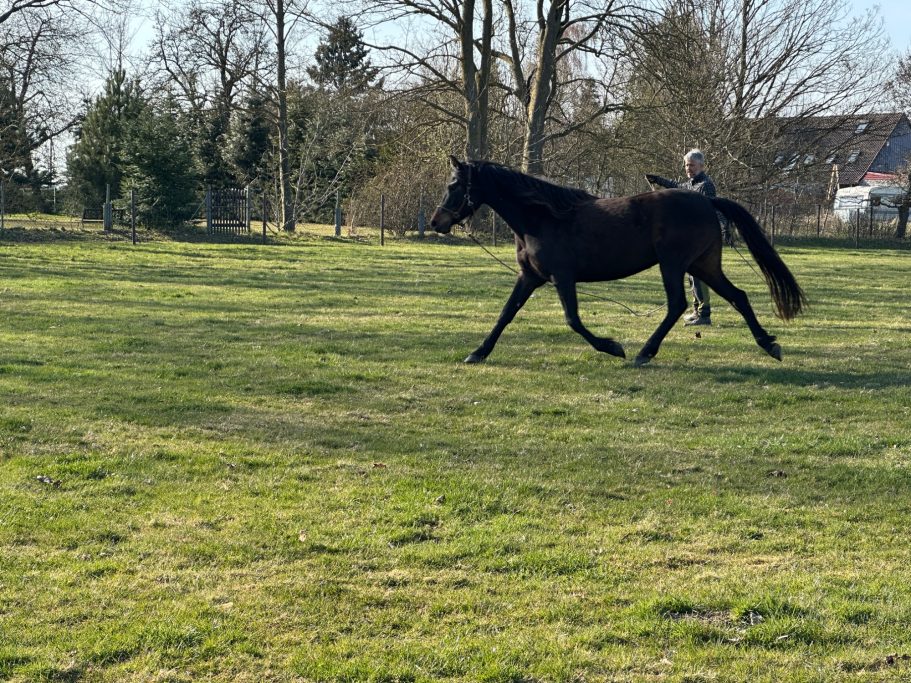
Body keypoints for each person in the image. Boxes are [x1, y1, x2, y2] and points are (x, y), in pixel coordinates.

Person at [645, 149, 716, 326]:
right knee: (691, 275)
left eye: (691, 165)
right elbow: (676, 186)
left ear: (701, 165)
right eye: (686, 165)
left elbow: (711, 211)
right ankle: (696, 310)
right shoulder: (691, 184)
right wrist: (658, 180)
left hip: (700, 238)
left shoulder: (706, 185)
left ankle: (704, 315)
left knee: (700, 275)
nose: (688, 168)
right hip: (690, 239)